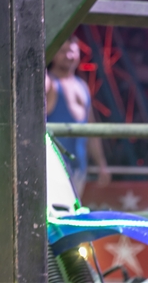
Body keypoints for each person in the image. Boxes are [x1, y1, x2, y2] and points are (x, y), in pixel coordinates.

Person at [46, 36, 111, 196]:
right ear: (53, 54)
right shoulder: (49, 83)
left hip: (79, 168)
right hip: (53, 168)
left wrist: (101, 163)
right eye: (62, 51)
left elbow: (90, 128)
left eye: (72, 51)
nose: (68, 56)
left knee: (75, 208)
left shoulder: (82, 86)